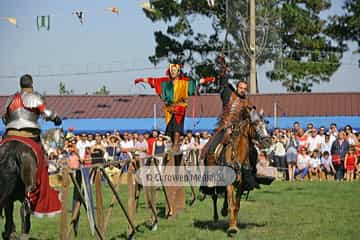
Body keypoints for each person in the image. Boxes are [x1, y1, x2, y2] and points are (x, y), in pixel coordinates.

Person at [1, 74, 62, 214]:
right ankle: (33, 193)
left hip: (9, 134)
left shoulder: (10, 99)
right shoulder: (35, 97)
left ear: (20, 85)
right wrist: (56, 118)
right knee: (41, 159)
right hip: (29, 134)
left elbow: (5, 118)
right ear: (32, 84)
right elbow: (46, 112)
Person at [134, 63, 214, 145]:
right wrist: (140, 80)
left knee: (177, 127)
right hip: (169, 109)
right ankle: (171, 143)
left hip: (180, 107)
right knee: (169, 131)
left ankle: (176, 144)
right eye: (171, 70)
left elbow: (197, 81)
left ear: (178, 72)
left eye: (174, 71)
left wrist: (209, 79)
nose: (172, 72)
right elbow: (152, 80)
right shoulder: (164, 82)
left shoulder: (184, 82)